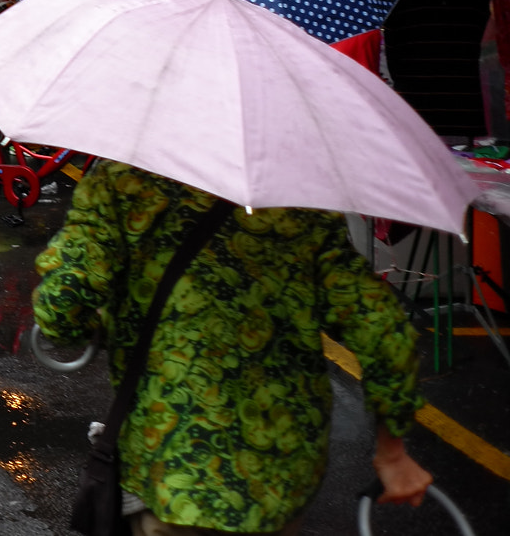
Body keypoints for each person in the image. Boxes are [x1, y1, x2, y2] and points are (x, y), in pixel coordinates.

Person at [35, 162, 432, 534]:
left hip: (174, 474)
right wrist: (391, 451)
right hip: (281, 476)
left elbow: (60, 310)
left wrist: (102, 324)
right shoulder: (296, 199)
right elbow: (380, 326)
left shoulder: (122, 181)